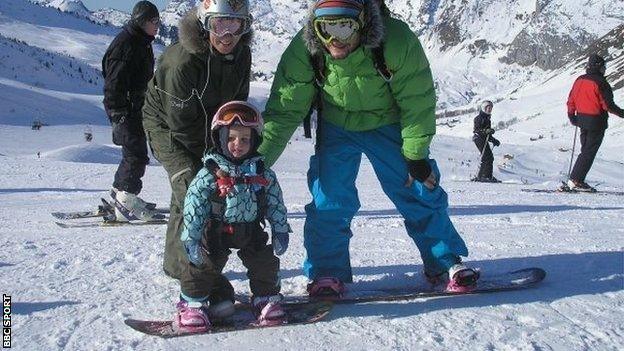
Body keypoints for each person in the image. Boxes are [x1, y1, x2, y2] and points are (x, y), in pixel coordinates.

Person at [258, 0, 479, 296]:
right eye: (326, 29)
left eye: (345, 27)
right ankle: (326, 272)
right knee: (329, 199)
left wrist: (415, 154)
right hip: (336, 125)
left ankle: (444, 261)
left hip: (386, 121)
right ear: (316, 27)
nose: (335, 39)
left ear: (362, 22)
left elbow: (417, 98)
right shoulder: (305, 49)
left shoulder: (395, 40)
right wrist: (256, 162)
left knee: (417, 188)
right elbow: (285, 109)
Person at [142, 0, 253, 280]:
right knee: (192, 184)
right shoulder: (183, 62)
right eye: (219, 25)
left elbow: (236, 105)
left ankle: (181, 262)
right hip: (167, 126)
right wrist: (213, 164)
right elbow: (182, 127)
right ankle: (190, 272)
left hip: (207, 127)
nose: (228, 35)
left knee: (208, 186)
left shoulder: (242, 54)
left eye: (235, 25)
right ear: (205, 25)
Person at [173, 101, 291, 332]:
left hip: (250, 229)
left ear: (255, 141)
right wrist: (191, 237)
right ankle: (192, 304)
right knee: (202, 266)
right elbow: (194, 205)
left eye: (245, 139)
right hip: (216, 229)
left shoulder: (262, 172)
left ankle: (265, 298)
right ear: (220, 138)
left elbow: (276, 202)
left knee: (264, 263)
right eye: (231, 138)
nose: (238, 144)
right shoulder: (209, 174)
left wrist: (280, 229)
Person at [102, 1, 161, 221]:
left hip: (135, 108)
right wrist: (118, 113)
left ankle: (120, 195)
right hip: (125, 110)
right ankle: (126, 202)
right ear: (142, 22)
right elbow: (113, 82)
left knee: (133, 153)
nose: (157, 26)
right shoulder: (126, 44)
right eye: (154, 22)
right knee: (136, 155)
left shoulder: (140, 41)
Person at [566, 54, 624, 192]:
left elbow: (571, 99)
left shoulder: (579, 80)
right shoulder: (601, 83)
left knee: (585, 150)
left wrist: (571, 115)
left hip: (581, 120)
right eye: (604, 67)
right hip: (596, 121)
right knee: (589, 152)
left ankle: (576, 179)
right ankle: (576, 180)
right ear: (599, 67)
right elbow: (608, 105)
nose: (605, 69)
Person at [472, 100, 501, 183]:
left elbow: (488, 135)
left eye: (491, 108)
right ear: (484, 108)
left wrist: (494, 140)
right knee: (488, 157)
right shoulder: (479, 118)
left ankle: (481, 176)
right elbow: (477, 130)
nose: (490, 109)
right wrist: (486, 131)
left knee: (486, 157)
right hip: (478, 138)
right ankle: (486, 176)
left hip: (483, 139)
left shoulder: (487, 119)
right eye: (488, 108)